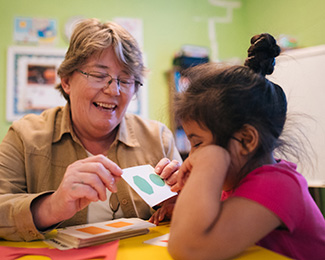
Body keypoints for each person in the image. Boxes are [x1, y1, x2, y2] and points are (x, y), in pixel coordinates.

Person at [0, 18, 181, 242]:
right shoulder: (24, 137)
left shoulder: (158, 138)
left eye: (125, 80)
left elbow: (189, 213)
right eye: (98, 75)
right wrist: (53, 206)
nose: (113, 90)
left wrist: (182, 203)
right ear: (66, 81)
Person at [167, 33, 325, 260]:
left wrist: (208, 162)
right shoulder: (237, 183)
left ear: (246, 140)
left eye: (198, 144)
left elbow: (188, 250)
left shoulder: (278, 185)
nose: (192, 157)